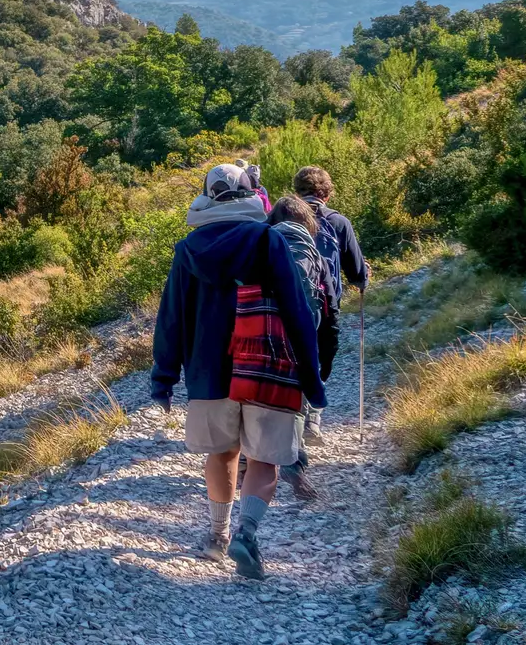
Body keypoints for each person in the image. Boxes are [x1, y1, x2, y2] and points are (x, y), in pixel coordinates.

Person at [152, 163, 326, 580]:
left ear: (207, 199)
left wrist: (164, 377)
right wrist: (311, 379)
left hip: (207, 373)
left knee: (222, 453)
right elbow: (297, 310)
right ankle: (247, 533)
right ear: (252, 195)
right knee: (264, 459)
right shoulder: (268, 240)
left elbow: (171, 317)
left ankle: (217, 535)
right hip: (267, 368)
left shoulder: (188, 250)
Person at [292, 166, 368, 446]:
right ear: (326, 192)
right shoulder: (338, 222)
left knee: (290, 358)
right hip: (325, 304)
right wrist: (363, 279)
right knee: (322, 359)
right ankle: (312, 417)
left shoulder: (279, 220)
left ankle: (291, 419)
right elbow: (356, 271)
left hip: (284, 303)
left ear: (297, 191)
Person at [266, 195, 327, 500]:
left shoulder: (261, 243)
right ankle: (294, 463)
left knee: (257, 398)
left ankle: (249, 465)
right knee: (296, 402)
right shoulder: (313, 250)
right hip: (300, 334)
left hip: (262, 330)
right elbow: (328, 307)